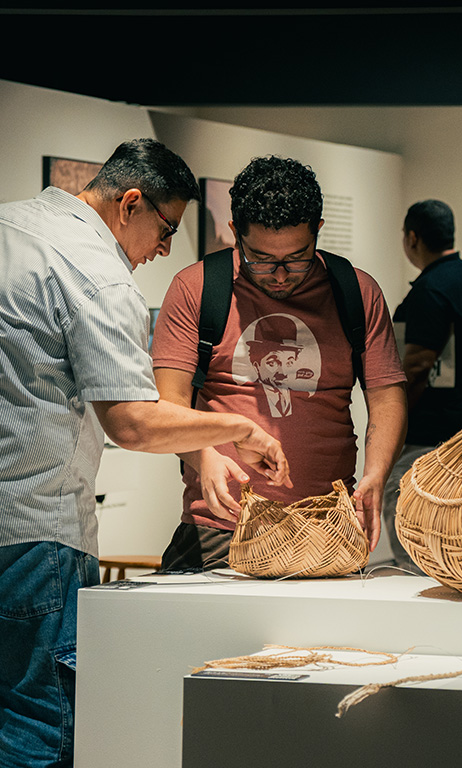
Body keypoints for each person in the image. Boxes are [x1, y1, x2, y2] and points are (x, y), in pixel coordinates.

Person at [0, 138, 290, 768]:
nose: (164, 250)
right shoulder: (99, 274)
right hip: (24, 533)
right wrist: (236, 429)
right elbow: (132, 423)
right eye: (167, 228)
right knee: (39, 730)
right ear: (130, 203)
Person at [152, 155, 407, 571]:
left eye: (298, 257)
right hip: (223, 530)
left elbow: (386, 397)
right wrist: (202, 455)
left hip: (327, 530)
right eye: (261, 259)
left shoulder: (355, 292)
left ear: (318, 230)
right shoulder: (197, 288)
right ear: (235, 233)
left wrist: (376, 474)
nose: (282, 274)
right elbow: (169, 403)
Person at [382, 199, 462, 573]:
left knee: (411, 541)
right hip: (460, 428)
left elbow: (417, 364)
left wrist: (393, 425)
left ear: (413, 238)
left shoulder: (430, 290)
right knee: (448, 537)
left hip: (424, 437)